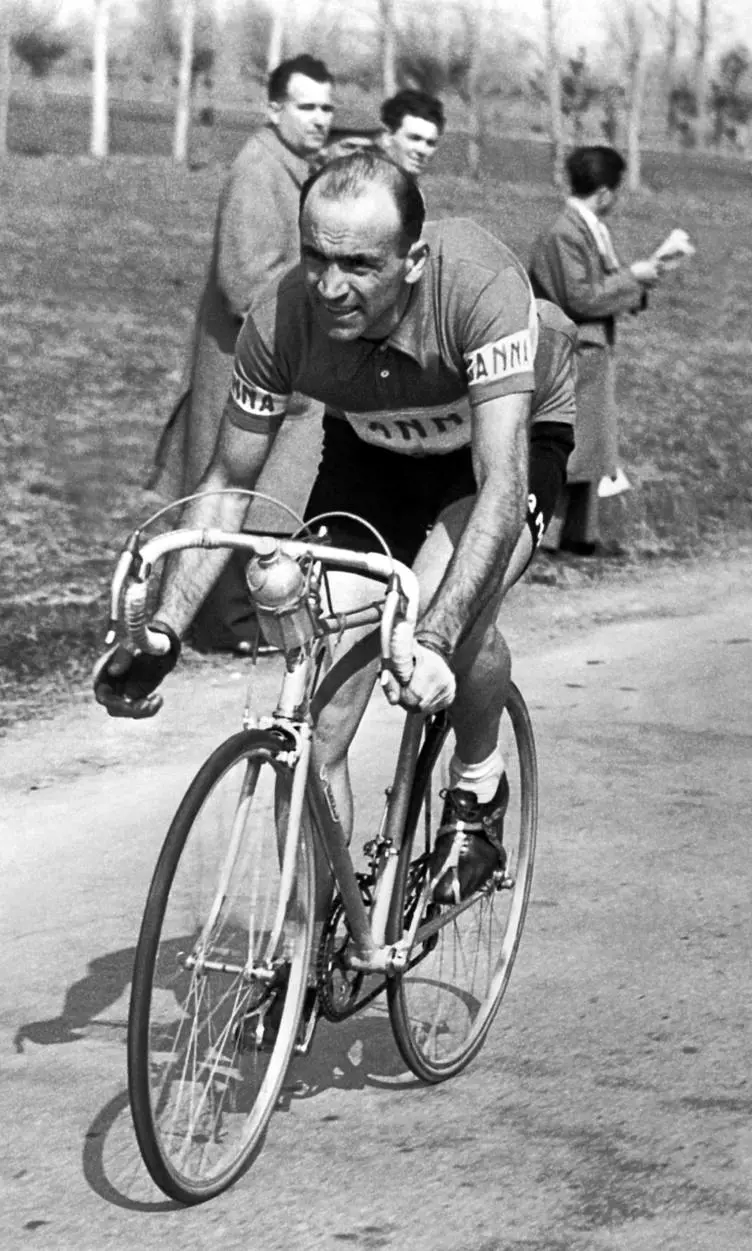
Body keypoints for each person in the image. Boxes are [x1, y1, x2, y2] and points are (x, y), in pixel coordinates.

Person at [97, 151, 575, 916]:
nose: (328, 285)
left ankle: (478, 789)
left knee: (447, 617)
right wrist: (161, 634)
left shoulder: (479, 287)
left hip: (494, 453)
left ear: (413, 262)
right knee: (317, 721)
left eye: (358, 265)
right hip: (374, 448)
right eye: (316, 256)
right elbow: (226, 483)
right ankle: (309, 944)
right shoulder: (282, 317)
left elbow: (500, 487)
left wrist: (434, 635)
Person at [150, 54, 335, 651]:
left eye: (327, 107)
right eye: (306, 106)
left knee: (263, 485)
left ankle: (237, 620)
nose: (320, 119)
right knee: (231, 481)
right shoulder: (258, 171)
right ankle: (221, 625)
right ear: (273, 108)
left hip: (275, 358)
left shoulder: (293, 167)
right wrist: (317, 286)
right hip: (241, 359)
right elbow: (242, 284)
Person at [528, 145, 660, 555]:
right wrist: (633, 277)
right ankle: (546, 536)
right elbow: (581, 297)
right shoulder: (565, 232)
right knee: (570, 447)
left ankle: (580, 536)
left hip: (590, 352)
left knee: (590, 449)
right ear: (604, 193)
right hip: (571, 352)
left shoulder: (588, 228)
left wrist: (635, 285)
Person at [379, 88, 445, 178]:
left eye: (430, 143)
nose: (422, 150)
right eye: (414, 138)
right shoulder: (366, 183)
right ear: (387, 138)